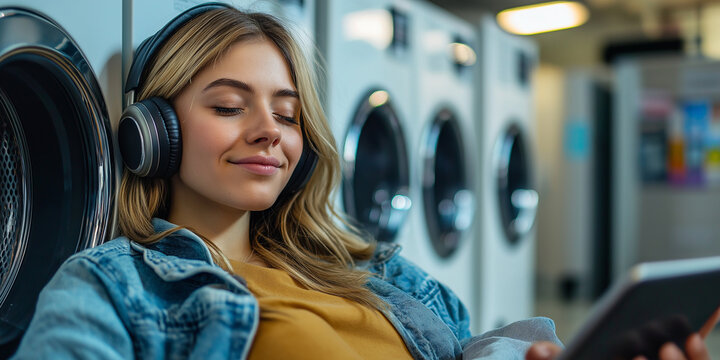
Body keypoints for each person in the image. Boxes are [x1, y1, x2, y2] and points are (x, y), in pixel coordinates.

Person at [9, 3, 715, 360]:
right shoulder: (113, 283)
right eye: (228, 107)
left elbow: (473, 346)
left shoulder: (365, 266)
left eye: (287, 115)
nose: (269, 132)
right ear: (153, 133)